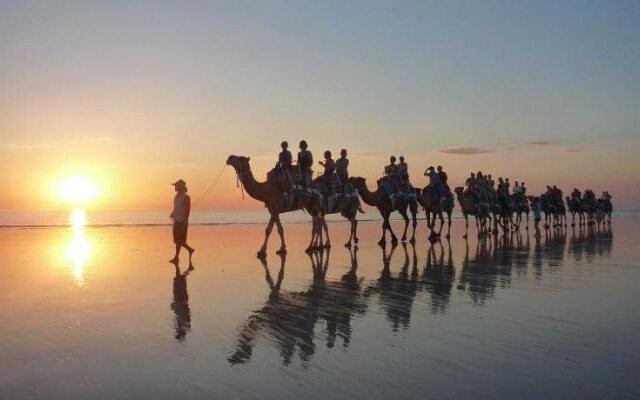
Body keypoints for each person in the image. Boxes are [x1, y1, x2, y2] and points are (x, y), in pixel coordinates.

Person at [170, 179, 195, 263]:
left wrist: (185, 222)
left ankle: (177, 257)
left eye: (176, 186)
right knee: (177, 240)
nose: (175, 187)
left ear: (180, 187)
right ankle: (190, 250)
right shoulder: (176, 196)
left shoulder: (186, 197)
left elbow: (187, 210)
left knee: (180, 241)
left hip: (182, 221)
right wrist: (173, 213)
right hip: (176, 220)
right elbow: (176, 207)